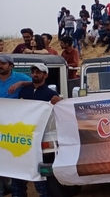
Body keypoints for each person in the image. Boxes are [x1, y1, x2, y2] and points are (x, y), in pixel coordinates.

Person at [11, 63, 62, 197]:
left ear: (45, 75)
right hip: (22, 138)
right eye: (33, 72)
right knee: (18, 176)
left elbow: (57, 113)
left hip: (39, 141)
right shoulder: (24, 91)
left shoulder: (51, 94)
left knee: (41, 176)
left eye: (38, 72)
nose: (35, 74)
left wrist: (59, 102)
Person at [0, 54, 32, 197]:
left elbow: (36, 84)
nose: (0, 65)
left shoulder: (20, 77)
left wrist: (20, 84)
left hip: (14, 129)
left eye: (3, 63)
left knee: (15, 162)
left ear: (11, 66)